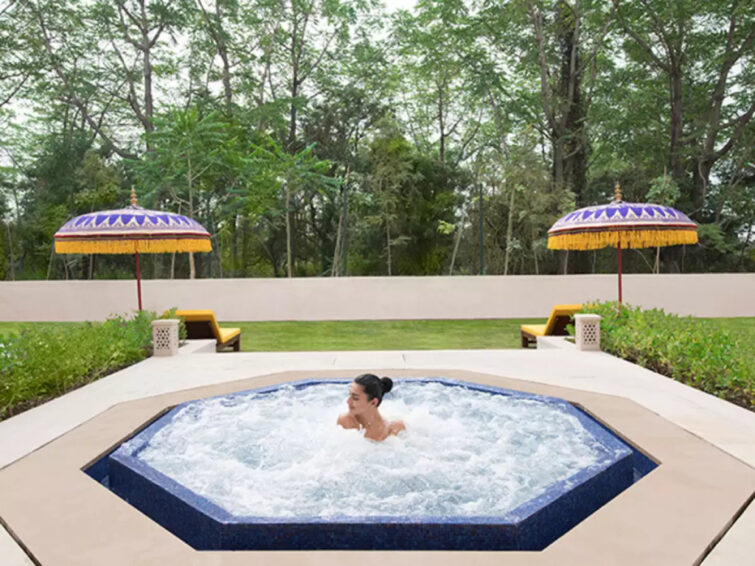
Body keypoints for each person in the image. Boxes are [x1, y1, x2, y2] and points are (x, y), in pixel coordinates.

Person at [337, 373, 405, 441]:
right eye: (350, 395)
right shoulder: (345, 423)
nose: (348, 401)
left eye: (355, 398)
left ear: (373, 402)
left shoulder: (395, 429)